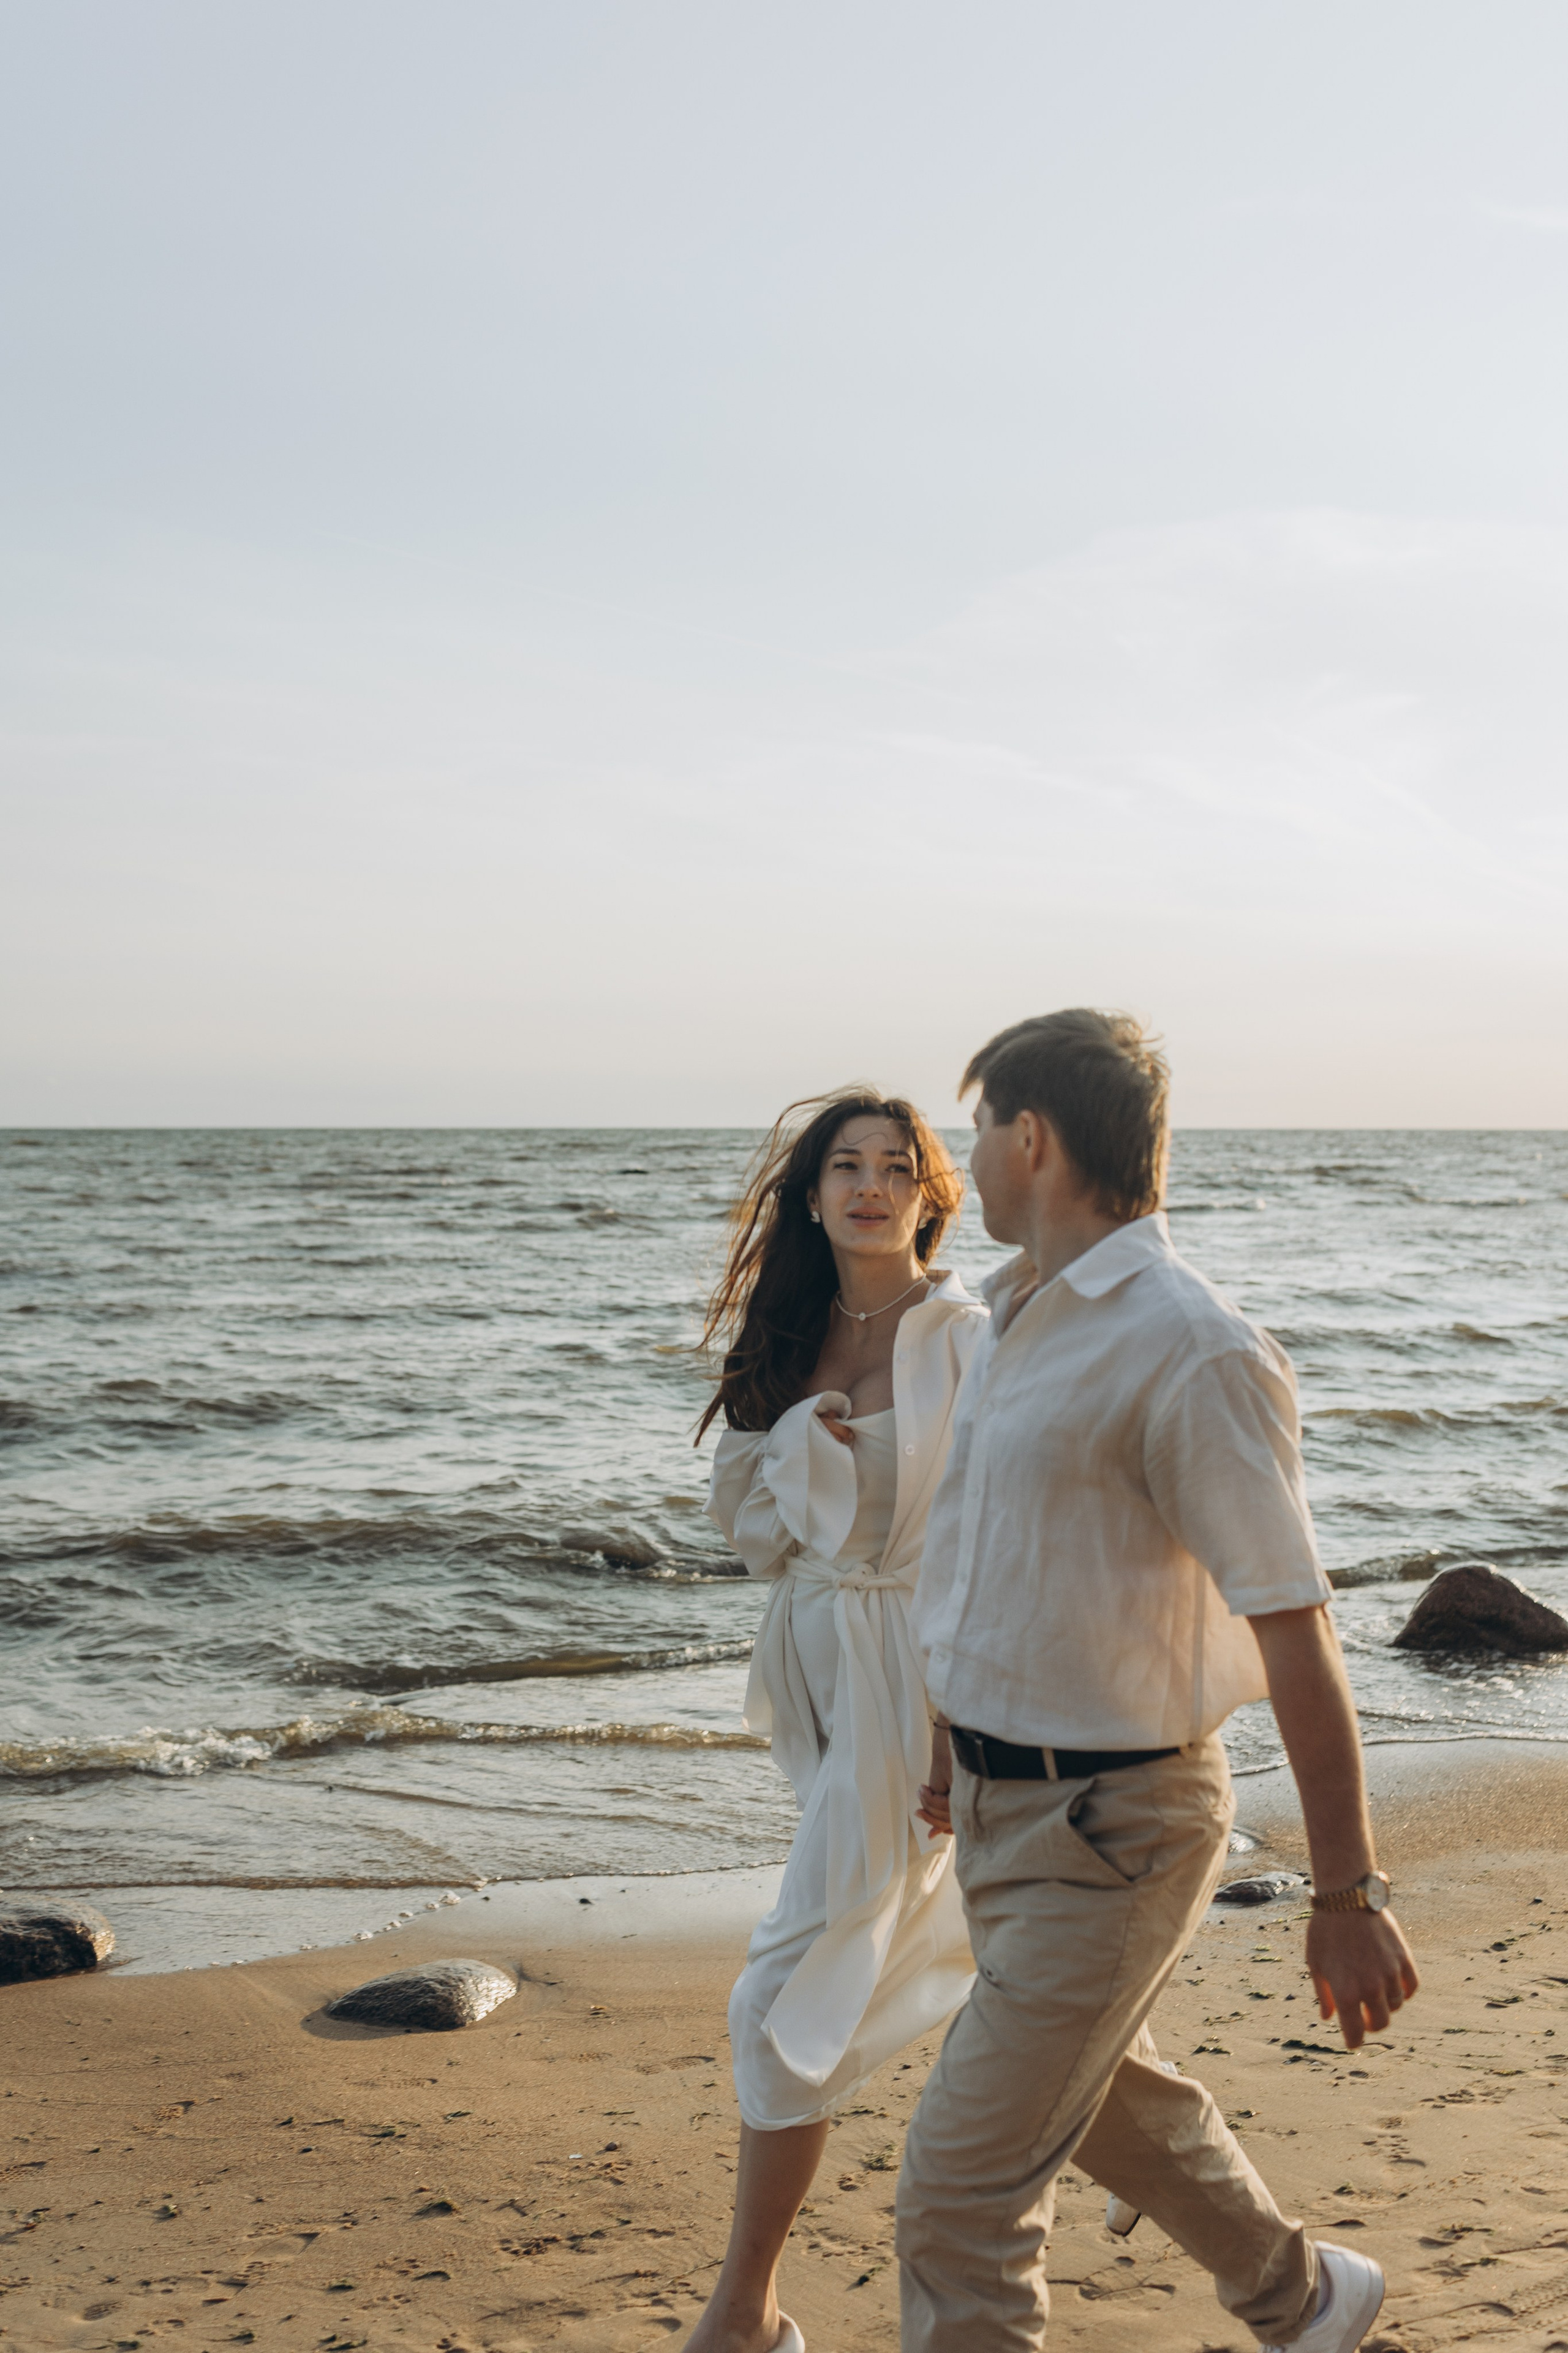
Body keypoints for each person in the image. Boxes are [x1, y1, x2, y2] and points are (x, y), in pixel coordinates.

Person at [897, 1009, 1420, 2353]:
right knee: (1101, 2094)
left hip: (1115, 1827)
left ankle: (1295, 2297)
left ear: (1029, 1137)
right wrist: (958, 1734)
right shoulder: (1016, 1315)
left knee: (957, 2194)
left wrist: (1343, 1891)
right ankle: (1303, 2301)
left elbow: (1294, 1628)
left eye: (975, 1132)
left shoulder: (1191, 1349)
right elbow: (1004, 1556)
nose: (967, 1159)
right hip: (1010, 1810)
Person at [685, 1090, 989, 2353]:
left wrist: (946, 1730)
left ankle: (743, 2312)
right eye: (843, 1166)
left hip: (907, 1671)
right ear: (808, 1194)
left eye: (893, 1166)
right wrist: (798, 1439)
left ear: (929, 1191)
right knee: (913, 1942)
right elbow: (748, 1531)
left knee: (786, 1985)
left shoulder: (961, 1331)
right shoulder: (791, 1328)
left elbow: (979, 1543)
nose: (868, 1186)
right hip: (811, 1661)